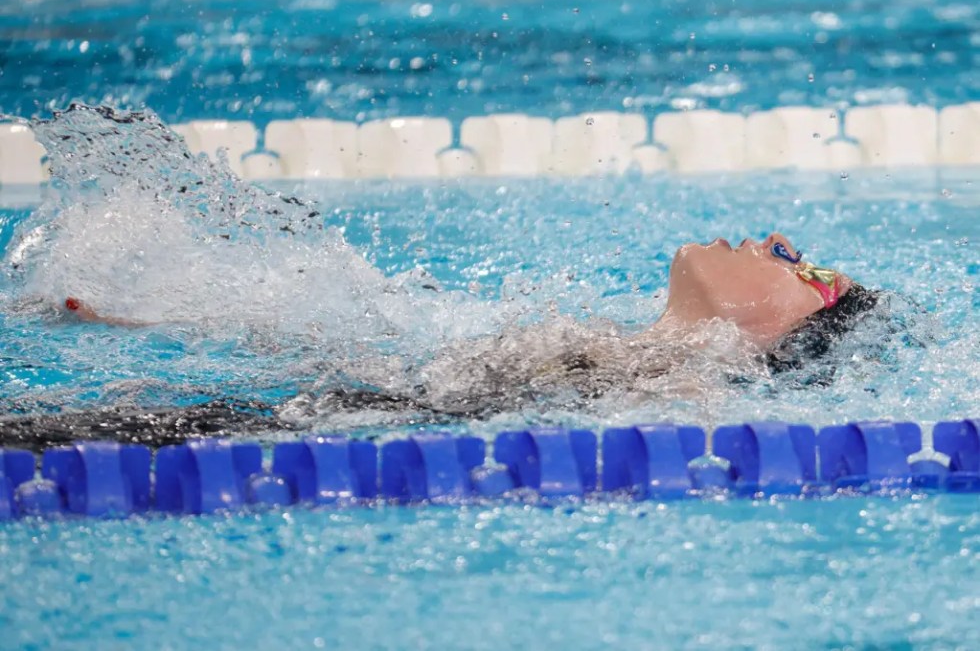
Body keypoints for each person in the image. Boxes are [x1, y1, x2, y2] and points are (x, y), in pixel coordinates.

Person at [61, 232, 881, 420]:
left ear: (781, 330)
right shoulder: (601, 336)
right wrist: (136, 324)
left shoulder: (691, 386)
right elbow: (347, 349)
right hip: (305, 410)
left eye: (800, 263)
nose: (771, 241)